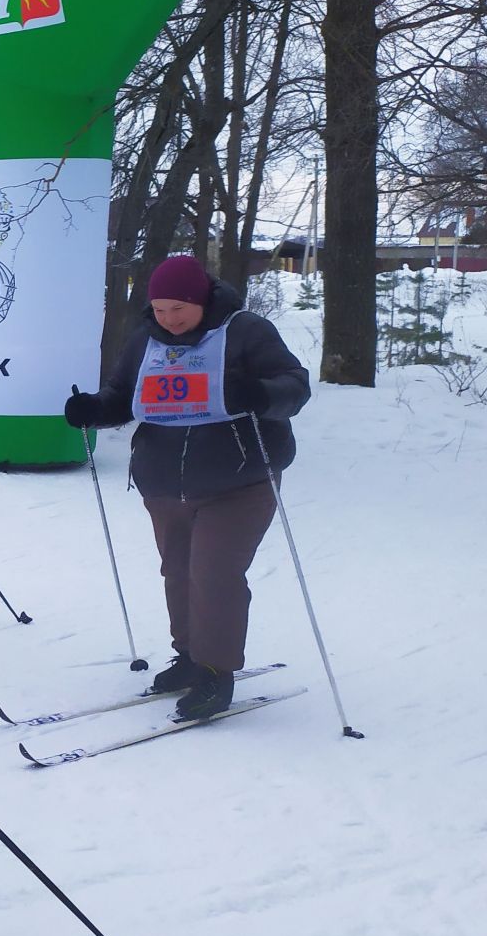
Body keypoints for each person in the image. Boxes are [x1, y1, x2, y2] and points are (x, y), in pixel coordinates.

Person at [63, 253, 310, 720]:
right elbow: (123, 396)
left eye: (179, 308)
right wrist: (94, 408)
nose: (169, 319)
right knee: (177, 572)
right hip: (163, 481)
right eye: (159, 309)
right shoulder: (146, 340)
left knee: (213, 573)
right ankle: (191, 656)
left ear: (200, 299)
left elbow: (294, 385)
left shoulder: (245, 332)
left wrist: (261, 395)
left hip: (238, 479)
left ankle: (216, 671)